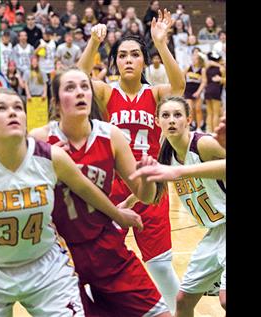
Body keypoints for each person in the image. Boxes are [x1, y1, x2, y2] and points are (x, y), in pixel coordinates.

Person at [0, 88, 143, 316]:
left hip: (45, 268)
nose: (12, 113)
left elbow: (85, 188)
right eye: (2, 109)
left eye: (17, 107)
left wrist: (118, 214)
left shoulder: (49, 157)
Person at [30, 67, 172, 317]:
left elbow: (145, 196)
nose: (80, 93)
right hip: (60, 255)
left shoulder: (111, 135)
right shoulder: (39, 141)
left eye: (85, 87)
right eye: (70, 88)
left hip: (105, 246)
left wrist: (148, 178)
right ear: (55, 101)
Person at [77, 9, 185, 314]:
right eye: (122, 55)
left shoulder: (156, 93)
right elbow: (80, 76)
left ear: (143, 61)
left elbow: (179, 87)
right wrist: (93, 44)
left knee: (161, 264)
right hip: (112, 188)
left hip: (151, 186)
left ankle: (177, 312)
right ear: (115, 62)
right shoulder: (106, 91)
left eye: (135, 54)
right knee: (103, 262)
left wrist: (161, 45)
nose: (128, 59)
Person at [130, 96, 226, 317]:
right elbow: (151, 196)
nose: (171, 120)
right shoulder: (166, 155)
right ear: (157, 122)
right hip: (215, 232)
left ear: (188, 120)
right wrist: (123, 205)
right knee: (182, 301)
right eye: (165, 115)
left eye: (177, 115)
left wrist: (180, 173)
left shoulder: (202, 144)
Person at [184, 48, 206, 132]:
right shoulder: (188, 67)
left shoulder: (202, 69)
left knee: (198, 109)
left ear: (199, 59)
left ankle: (199, 127)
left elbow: (203, 82)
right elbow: (181, 77)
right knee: (189, 108)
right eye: (193, 57)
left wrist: (198, 92)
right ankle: (191, 124)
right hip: (188, 90)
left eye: (196, 58)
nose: (194, 59)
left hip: (197, 91)